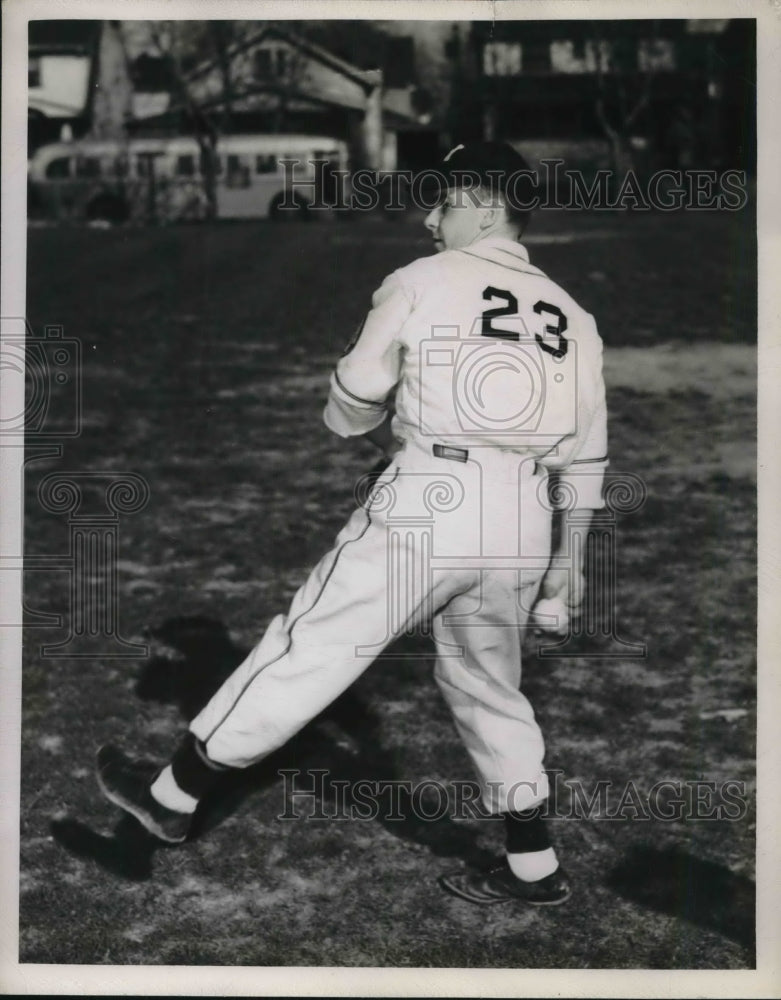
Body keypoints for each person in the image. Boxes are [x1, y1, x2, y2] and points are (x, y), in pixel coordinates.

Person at [97, 142, 608, 906]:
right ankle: (533, 863)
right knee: (490, 686)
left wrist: (373, 435)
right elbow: (587, 462)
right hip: (525, 516)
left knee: (316, 645)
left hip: (429, 497)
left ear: (484, 202)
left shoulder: (419, 280)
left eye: (442, 201)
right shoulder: (572, 312)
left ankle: (171, 798)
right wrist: (565, 575)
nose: (430, 218)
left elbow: (354, 394)